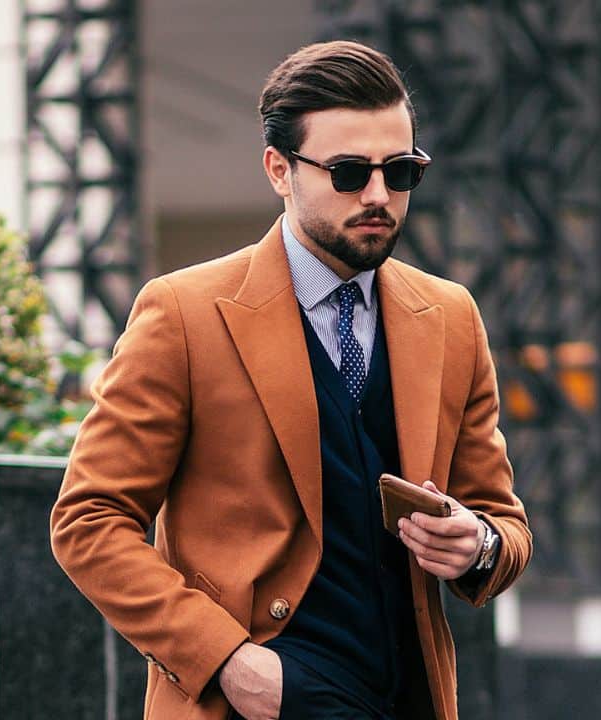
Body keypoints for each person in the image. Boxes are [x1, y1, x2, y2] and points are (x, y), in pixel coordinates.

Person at [51, 40, 531, 720]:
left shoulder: (450, 317)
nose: (378, 196)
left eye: (400, 172)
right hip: (257, 700)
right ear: (279, 169)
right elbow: (89, 520)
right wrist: (227, 661)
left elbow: (503, 523)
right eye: (348, 172)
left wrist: (477, 543)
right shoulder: (184, 313)